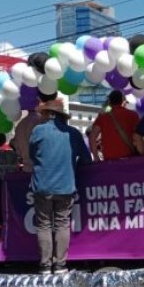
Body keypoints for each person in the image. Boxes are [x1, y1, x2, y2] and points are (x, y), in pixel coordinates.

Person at [28, 99, 92, 275]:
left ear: (49, 114)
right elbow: (87, 159)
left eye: (43, 113)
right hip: (66, 185)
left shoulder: (38, 131)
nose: (41, 116)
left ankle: (45, 266)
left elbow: (32, 155)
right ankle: (60, 265)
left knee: (44, 225)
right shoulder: (73, 133)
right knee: (62, 224)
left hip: (43, 185)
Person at [89, 90, 140, 162]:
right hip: (129, 159)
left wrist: (96, 157)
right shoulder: (133, 115)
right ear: (122, 101)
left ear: (110, 101)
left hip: (109, 160)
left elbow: (92, 137)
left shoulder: (103, 116)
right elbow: (139, 137)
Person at [12, 104, 43, 172]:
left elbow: (18, 151)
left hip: (27, 168)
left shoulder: (20, 125)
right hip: (42, 169)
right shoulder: (42, 121)